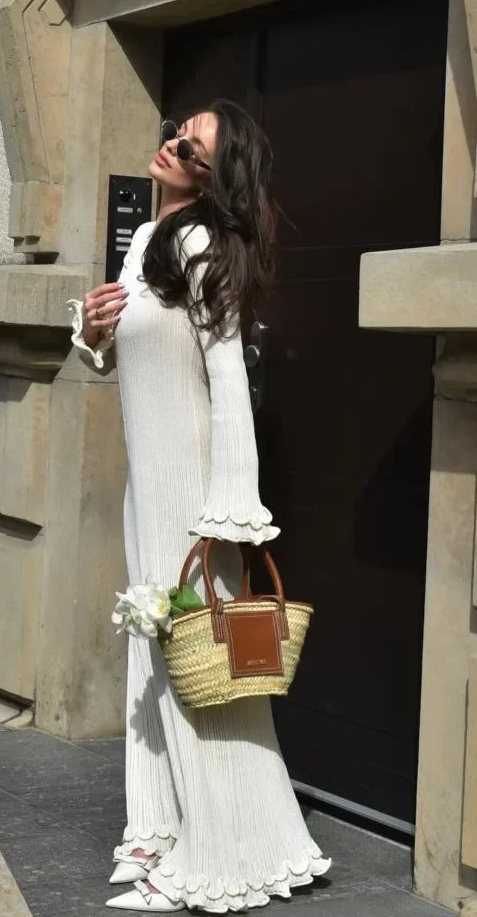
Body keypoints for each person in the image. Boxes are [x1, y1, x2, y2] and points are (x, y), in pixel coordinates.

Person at [67, 99, 331, 913]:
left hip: (193, 492)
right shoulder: (149, 239)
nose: (172, 144)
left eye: (192, 146)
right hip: (146, 485)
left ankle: (230, 846)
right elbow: (125, 362)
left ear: (216, 178)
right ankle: (162, 829)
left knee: (201, 674)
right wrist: (92, 331)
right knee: (156, 665)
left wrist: (230, 505)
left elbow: (226, 383)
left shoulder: (204, 246)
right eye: (178, 129)